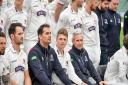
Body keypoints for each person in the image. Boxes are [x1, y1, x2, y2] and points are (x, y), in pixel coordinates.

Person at [81, 0, 100, 69]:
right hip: (85, 49)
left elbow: (97, 35)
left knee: (94, 77)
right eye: (96, 3)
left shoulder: (95, 16)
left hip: (95, 50)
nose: (97, 5)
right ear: (89, 1)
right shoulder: (80, 15)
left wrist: (98, 52)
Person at [95, 0, 111, 65]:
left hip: (104, 49)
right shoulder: (94, 13)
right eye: (105, 4)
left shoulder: (107, 15)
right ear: (100, 2)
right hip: (95, 48)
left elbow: (107, 32)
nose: (107, 6)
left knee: (104, 70)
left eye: (108, 4)